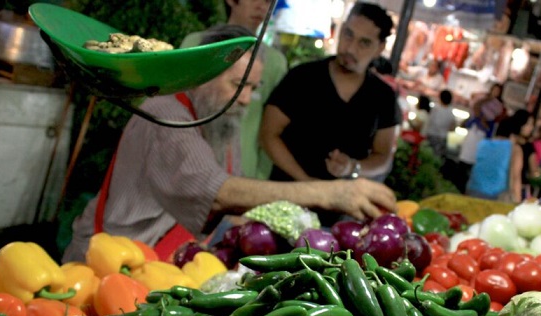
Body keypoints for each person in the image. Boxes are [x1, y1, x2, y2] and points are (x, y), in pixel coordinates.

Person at [62, 25, 396, 263]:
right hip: (108, 262)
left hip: (159, 260)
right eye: (238, 84)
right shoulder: (165, 113)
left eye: (253, 88)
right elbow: (218, 192)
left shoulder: (220, 118)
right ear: (204, 74)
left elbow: (229, 200)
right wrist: (329, 193)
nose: (246, 99)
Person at [259, 2, 402, 224]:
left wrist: (353, 167)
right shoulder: (302, 78)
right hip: (283, 202)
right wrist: (308, 184)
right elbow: (269, 134)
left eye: (364, 43)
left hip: (342, 216)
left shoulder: (383, 96)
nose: (350, 48)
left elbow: (383, 156)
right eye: (348, 35)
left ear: (380, 48)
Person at [179, 0, 288, 180]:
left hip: (243, 173)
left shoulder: (275, 63)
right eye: (238, 84)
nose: (262, 6)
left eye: (268, 1)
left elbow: (270, 128)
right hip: (189, 165)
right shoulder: (196, 43)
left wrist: (258, 182)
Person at [466, 109, 529, 203]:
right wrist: (517, 202)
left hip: (473, 190)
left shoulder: (483, 143)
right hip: (496, 197)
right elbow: (515, 178)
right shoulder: (515, 149)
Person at [426, 89, 456, 158]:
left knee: (428, 157)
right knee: (437, 159)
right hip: (443, 138)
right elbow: (453, 128)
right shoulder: (450, 112)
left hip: (432, 136)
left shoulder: (436, 109)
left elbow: (429, 122)